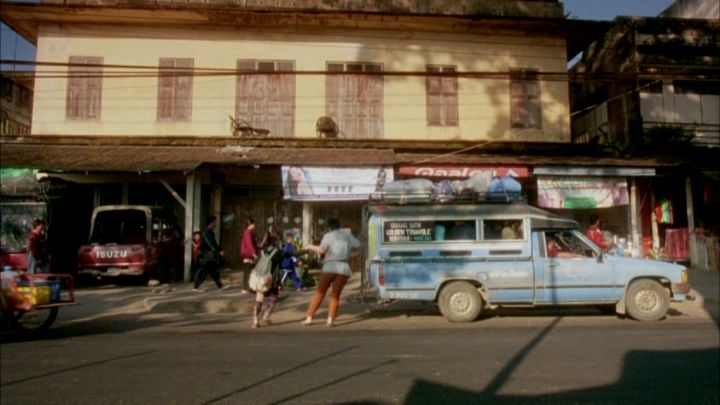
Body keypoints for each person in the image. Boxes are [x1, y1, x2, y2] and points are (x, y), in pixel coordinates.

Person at [302, 218, 361, 327]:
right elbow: (358, 245)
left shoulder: (328, 236)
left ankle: (309, 318)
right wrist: (349, 253)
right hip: (343, 268)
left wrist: (310, 246)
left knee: (319, 293)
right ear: (340, 226)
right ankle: (330, 320)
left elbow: (322, 250)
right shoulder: (347, 235)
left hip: (329, 267)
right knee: (335, 295)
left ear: (329, 227)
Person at [250, 244, 281, 328]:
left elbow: (255, 263)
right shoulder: (277, 254)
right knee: (273, 298)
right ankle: (266, 315)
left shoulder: (262, 253)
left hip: (259, 278)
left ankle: (255, 321)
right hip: (271, 280)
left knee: (259, 299)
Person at [193, 216, 228, 292]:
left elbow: (212, 243)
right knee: (203, 269)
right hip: (206, 254)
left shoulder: (209, 231)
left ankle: (219, 285)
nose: (216, 223)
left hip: (209, 253)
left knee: (213, 269)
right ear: (211, 222)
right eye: (215, 222)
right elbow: (211, 243)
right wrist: (219, 250)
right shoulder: (207, 232)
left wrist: (218, 250)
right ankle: (196, 286)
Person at [240, 218, 259, 294]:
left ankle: (248, 288)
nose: (255, 226)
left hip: (249, 255)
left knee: (249, 272)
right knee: (248, 272)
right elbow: (249, 244)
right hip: (249, 255)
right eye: (254, 224)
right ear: (250, 224)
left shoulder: (249, 232)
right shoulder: (248, 233)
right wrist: (254, 253)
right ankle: (245, 288)